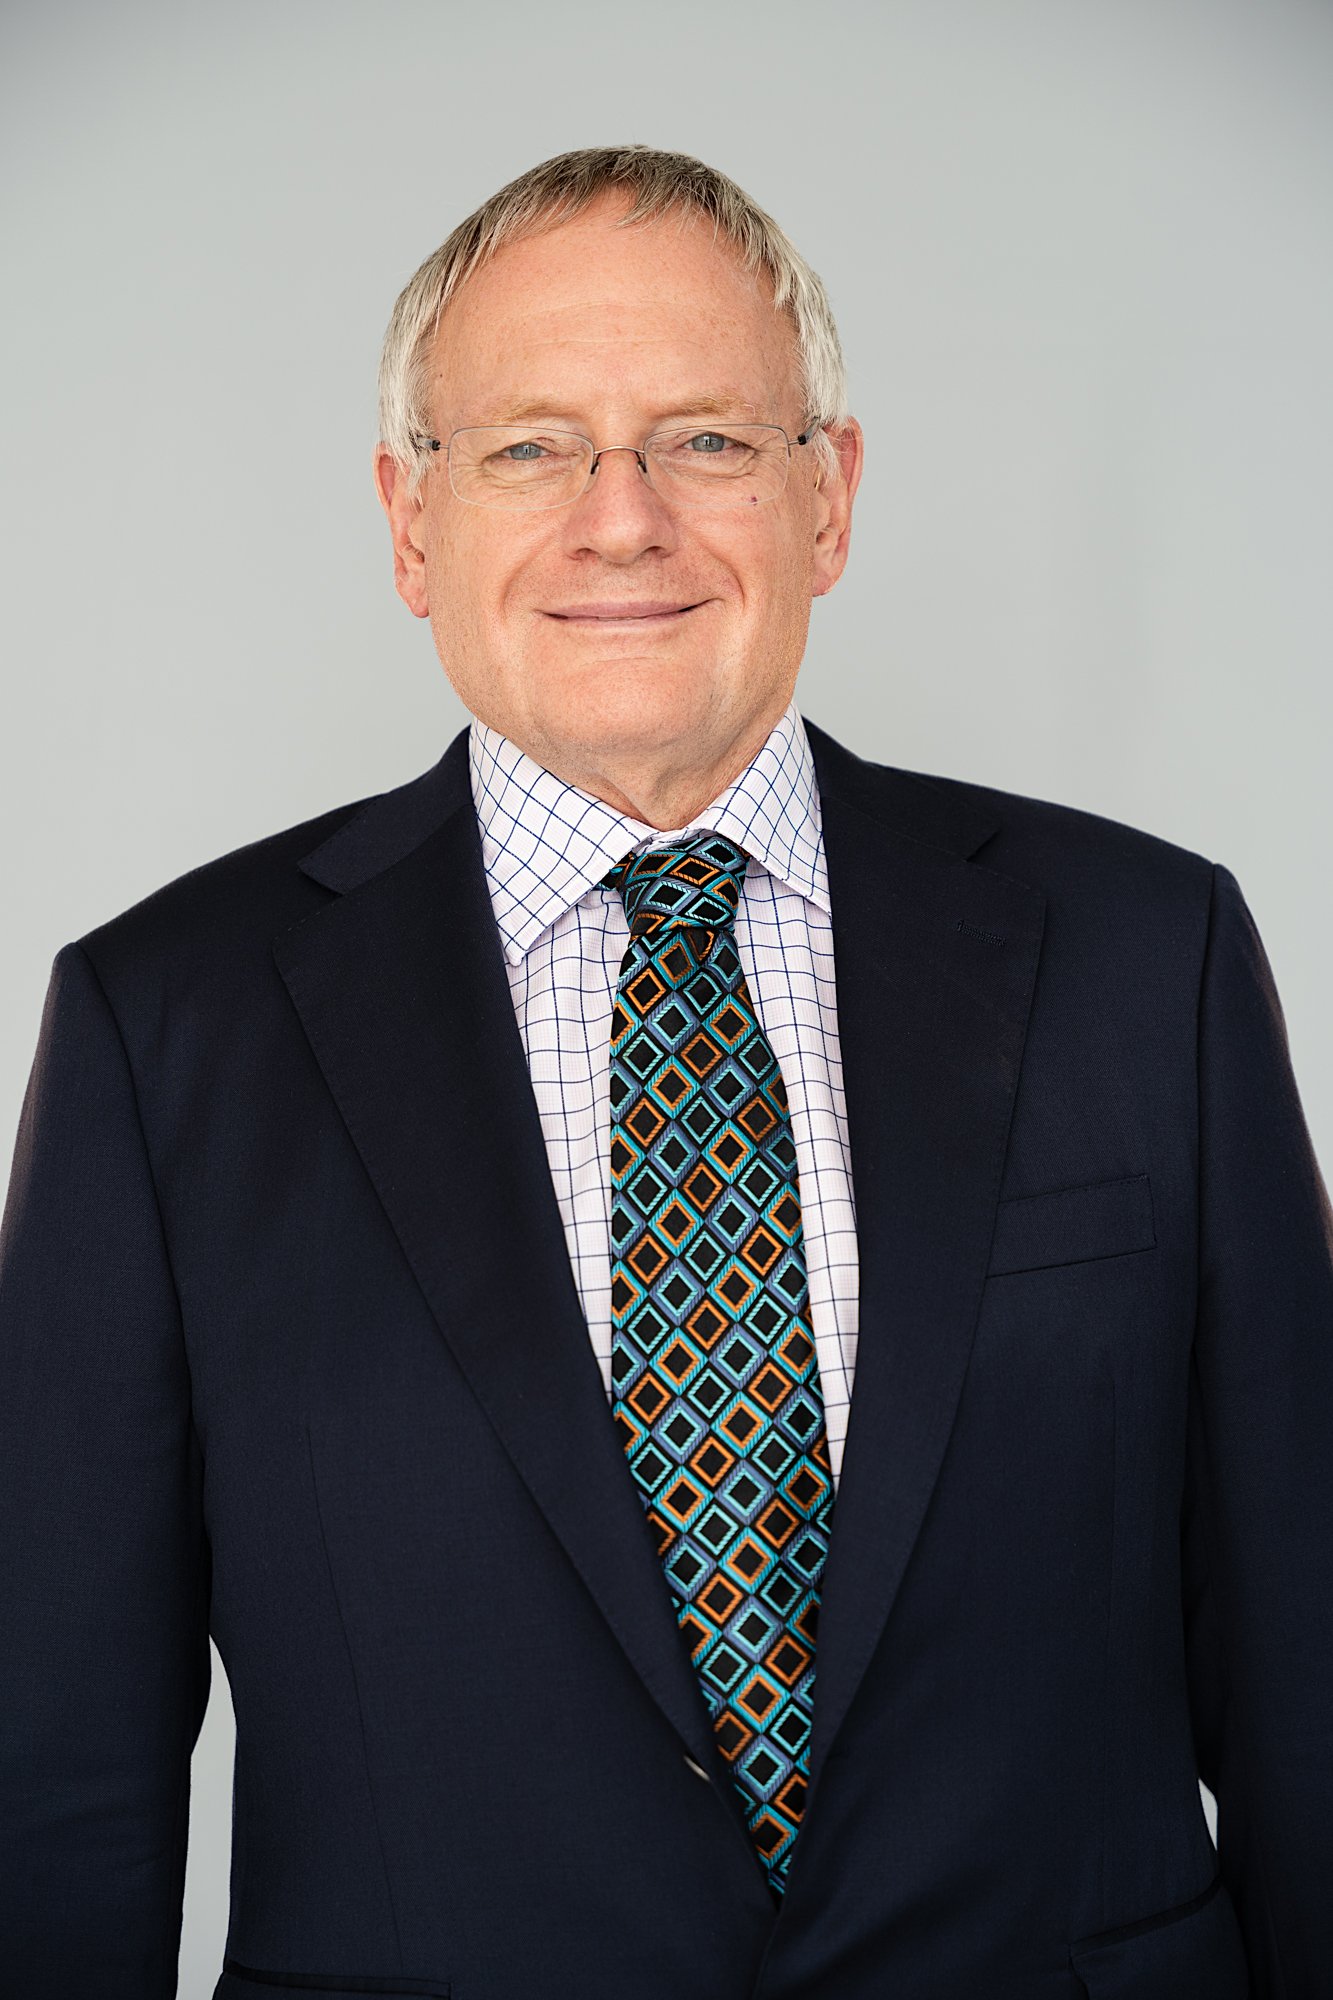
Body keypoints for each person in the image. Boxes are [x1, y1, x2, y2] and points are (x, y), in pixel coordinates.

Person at [0, 143, 1329, 2000]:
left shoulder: (1144, 957)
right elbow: (58, 1783)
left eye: (703, 440)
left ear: (828, 500)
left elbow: (1305, 1671)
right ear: (408, 522)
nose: (619, 518)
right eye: (530, 448)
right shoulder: (166, 1029)